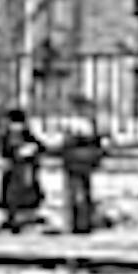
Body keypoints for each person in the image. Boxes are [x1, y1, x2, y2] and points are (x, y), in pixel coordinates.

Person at [58, 97, 108, 235]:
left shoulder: (72, 124)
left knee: (75, 193)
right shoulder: (90, 123)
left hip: (74, 162)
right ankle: (83, 222)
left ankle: (77, 222)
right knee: (83, 192)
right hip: (84, 162)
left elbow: (66, 145)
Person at [0, 105, 45, 233]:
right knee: (13, 194)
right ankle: (15, 217)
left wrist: (31, 150)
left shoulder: (25, 135)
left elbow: (40, 147)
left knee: (23, 194)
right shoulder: (8, 136)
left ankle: (22, 217)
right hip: (16, 172)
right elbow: (6, 152)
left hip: (25, 171)